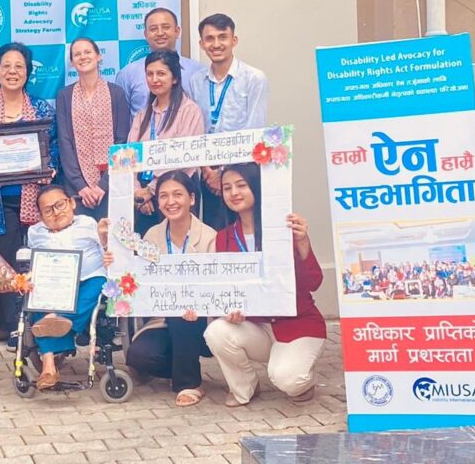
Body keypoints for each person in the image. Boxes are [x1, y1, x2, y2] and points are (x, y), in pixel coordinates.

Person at [204, 163, 326, 406]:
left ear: (257, 187)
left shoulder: (285, 228)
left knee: (288, 380)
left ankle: (302, 375)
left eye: (241, 185)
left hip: (297, 324)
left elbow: (314, 282)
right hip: (257, 326)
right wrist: (229, 311)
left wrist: (303, 243)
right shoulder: (224, 237)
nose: (234, 193)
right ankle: (244, 387)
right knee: (216, 331)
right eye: (227, 188)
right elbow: (227, 290)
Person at [0, 42, 58, 342]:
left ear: (28, 72)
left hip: (37, 200)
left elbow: (53, 145)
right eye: (6, 66)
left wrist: (50, 165)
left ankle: (40, 322)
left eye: (19, 66)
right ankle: (12, 328)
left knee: (37, 262)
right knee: (2, 263)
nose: (12, 71)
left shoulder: (42, 108)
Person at [124, 171, 216, 407]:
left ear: (192, 199)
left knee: (182, 317)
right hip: (162, 317)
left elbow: (217, 286)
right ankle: (181, 365)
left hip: (199, 317)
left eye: (178, 194)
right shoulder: (152, 235)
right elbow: (140, 277)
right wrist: (110, 250)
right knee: (139, 357)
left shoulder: (209, 238)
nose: (170, 201)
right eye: (163, 196)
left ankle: (190, 383)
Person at [26, 185, 112, 390]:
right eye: (48, 210)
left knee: (98, 286)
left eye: (60, 205)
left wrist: (106, 243)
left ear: (72, 203)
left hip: (88, 278)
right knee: (36, 294)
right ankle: (49, 365)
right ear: (40, 215)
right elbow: (33, 261)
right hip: (55, 283)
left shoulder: (88, 223)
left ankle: (50, 350)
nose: (56, 212)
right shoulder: (35, 232)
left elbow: (107, 250)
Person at [189, 15, 269, 228]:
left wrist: (223, 172)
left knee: (246, 230)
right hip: (207, 173)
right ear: (201, 44)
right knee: (216, 232)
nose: (216, 44)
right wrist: (207, 170)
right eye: (210, 38)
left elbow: (254, 129)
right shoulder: (195, 81)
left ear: (234, 40)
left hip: (242, 171)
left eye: (222, 37)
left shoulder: (254, 78)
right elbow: (194, 130)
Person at [127, 50, 205, 232]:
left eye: (161, 73)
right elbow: (129, 157)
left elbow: (185, 157)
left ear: (175, 78)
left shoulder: (189, 111)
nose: (154, 79)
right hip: (143, 199)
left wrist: (152, 191)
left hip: (176, 193)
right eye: (150, 74)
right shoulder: (142, 115)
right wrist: (138, 192)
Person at [55, 38, 131, 219]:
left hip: (113, 186)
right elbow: (65, 143)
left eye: (88, 52)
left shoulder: (116, 93)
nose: (83, 57)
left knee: (113, 243)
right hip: (77, 191)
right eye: (77, 54)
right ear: (72, 62)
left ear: (98, 56)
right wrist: (81, 186)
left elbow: (123, 142)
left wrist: (103, 185)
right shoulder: (64, 96)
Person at [115, 8, 203, 117]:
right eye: (153, 29)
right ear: (146, 34)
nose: (160, 33)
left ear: (177, 31)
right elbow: (122, 120)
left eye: (166, 27)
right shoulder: (127, 74)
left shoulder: (198, 71)